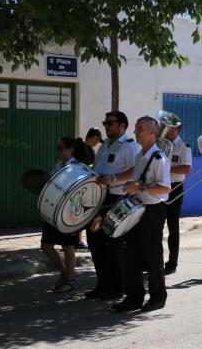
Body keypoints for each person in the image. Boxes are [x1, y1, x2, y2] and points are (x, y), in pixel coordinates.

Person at [110, 116, 171, 312]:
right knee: (130, 256)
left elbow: (165, 189)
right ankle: (133, 298)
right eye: (136, 128)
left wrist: (140, 186)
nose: (136, 132)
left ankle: (157, 297)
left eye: (140, 129)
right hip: (136, 210)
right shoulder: (139, 156)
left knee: (152, 256)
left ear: (153, 133)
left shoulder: (159, 158)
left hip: (153, 211)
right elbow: (134, 177)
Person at [86, 111, 140, 301]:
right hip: (98, 199)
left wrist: (114, 178)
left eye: (110, 123)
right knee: (95, 243)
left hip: (117, 199)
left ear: (122, 126)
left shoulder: (129, 146)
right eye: (105, 123)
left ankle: (118, 287)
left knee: (114, 246)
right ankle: (102, 285)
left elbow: (136, 170)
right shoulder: (105, 145)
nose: (106, 126)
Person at [41, 137, 90, 293]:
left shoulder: (77, 167)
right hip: (53, 211)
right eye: (58, 147)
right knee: (46, 246)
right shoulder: (59, 165)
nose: (59, 151)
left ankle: (70, 280)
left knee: (68, 246)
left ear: (71, 149)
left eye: (61, 148)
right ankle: (64, 273)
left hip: (68, 212)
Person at [163, 124, 192, 275]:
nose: (166, 130)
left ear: (177, 130)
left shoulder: (183, 146)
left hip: (175, 188)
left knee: (173, 226)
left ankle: (172, 262)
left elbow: (186, 168)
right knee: (155, 225)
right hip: (160, 186)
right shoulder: (161, 144)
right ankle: (152, 261)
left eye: (170, 128)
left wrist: (165, 168)